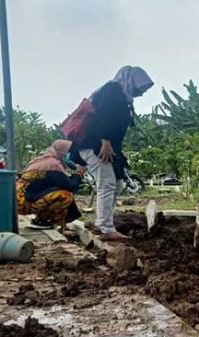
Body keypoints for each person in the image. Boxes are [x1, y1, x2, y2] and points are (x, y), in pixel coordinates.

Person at [71, 66, 154, 241]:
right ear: (132, 80)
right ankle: (105, 228)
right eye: (142, 87)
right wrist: (105, 140)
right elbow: (103, 117)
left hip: (107, 145)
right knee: (107, 184)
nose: (142, 92)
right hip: (96, 144)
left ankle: (105, 223)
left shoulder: (123, 97)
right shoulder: (113, 90)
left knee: (117, 184)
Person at [16, 140, 84, 230]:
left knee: (55, 192)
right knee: (66, 195)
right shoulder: (54, 165)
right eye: (69, 152)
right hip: (23, 202)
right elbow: (70, 186)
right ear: (62, 153)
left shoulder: (41, 160)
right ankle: (43, 219)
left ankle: (41, 219)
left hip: (18, 199)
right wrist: (79, 173)